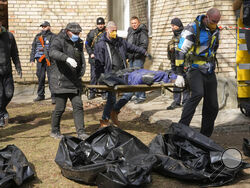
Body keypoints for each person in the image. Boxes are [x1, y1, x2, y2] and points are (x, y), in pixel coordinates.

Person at [175, 8, 221, 137]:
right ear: (206, 17)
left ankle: (205, 137)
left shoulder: (216, 29)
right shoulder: (192, 28)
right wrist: (179, 74)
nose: (215, 24)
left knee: (212, 106)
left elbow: (214, 48)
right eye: (213, 21)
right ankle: (181, 130)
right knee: (197, 94)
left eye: (217, 21)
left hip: (209, 70)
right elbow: (180, 51)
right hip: (194, 68)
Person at [94, 21, 149, 127]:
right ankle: (105, 120)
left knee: (129, 92)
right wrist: (98, 77)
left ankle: (114, 111)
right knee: (112, 97)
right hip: (109, 75)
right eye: (112, 30)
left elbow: (132, 47)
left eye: (116, 30)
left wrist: (144, 51)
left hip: (121, 73)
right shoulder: (101, 44)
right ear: (107, 30)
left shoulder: (120, 41)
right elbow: (98, 62)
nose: (114, 32)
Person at [48, 22, 88, 140]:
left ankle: (81, 132)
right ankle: (54, 131)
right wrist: (67, 58)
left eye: (78, 33)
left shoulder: (78, 42)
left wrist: (81, 72)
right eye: (74, 33)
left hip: (74, 80)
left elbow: (81, 58)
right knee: (60, 108)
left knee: (78, 106)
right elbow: (52, 52)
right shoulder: (58, 40)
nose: (77, 35)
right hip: (61, 80)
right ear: (67, 31)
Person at [0, 24, 22, 127]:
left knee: (9, 94)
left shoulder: (9, 36)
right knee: (0, 95)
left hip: (7, 71)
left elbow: (14, 53)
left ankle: (2, 109)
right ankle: (1, 115)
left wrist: (18, 67)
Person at [166, 18, 190, 110]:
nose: (172, 28)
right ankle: (176, 101)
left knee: (185, 82)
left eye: (173, 26)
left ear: (178, 25)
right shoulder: (174, 36)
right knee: (176, 81)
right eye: (171, 26)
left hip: (183, 63)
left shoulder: (184, 35)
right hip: (174, 62)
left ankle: (186, 102)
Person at [30, 21, 56, 104]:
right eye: (42, 27)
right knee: (40, 78)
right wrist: (32, 59)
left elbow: (55, 48)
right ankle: (41, 95)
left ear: (49, 27)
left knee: (51, 78)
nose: (43, 28)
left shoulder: (53, 36)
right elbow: (33, 48)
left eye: (45, 26)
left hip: (50, 60)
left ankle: (54, 96)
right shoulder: (38, 36)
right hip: (40, 60)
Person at [126, 16, 149, 104]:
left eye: (135, 23)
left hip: (138, 57)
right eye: (132, 23)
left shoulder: (142, 31)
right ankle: (136, 94)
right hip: (131, 57)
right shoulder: (130, 31)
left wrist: (136, 53)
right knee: (133, 77)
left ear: (138, 23)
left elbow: (144, 45)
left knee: (139, 76)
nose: (134, 25)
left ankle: (141, 96)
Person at [85, 17, 107, 100]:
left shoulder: (107, 32)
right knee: (93, 76)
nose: (100, 26)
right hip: (94, 58)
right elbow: (87, 44)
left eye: (101, 24)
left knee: (103, 76)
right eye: (99, 24)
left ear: (104, 24)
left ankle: (103, 92)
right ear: (97, 24)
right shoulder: (92, 33)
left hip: (104, 58)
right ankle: (92, 92)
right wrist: (91, 53)